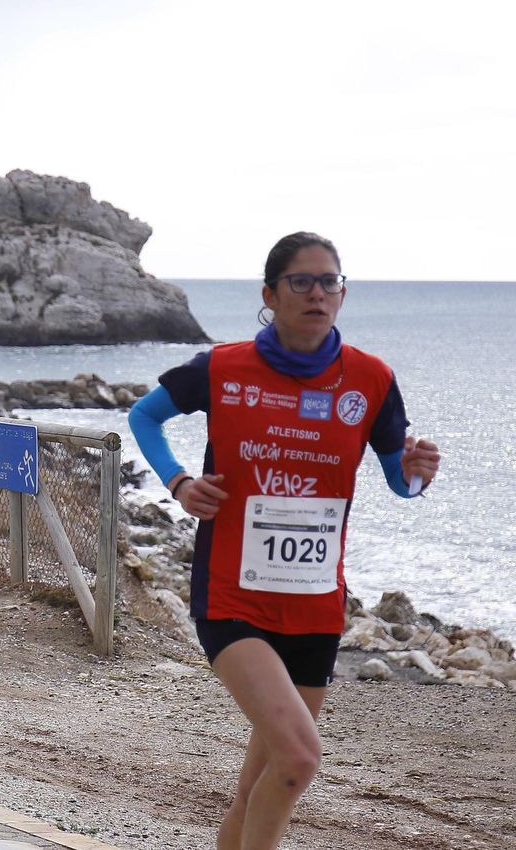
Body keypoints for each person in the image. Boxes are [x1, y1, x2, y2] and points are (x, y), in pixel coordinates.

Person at [128, 232, 441, 850]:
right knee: (298, 758)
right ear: (270, 294)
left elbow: (398, 479)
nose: (318, 293)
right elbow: (145, 415)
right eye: (302, 281)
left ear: (343, 294)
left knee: (259, 783)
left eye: (331, 281)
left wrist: (416, 471)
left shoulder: (371, 380)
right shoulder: (223, 367)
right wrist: (179, 482)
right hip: (232, 596)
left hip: (315, 604)